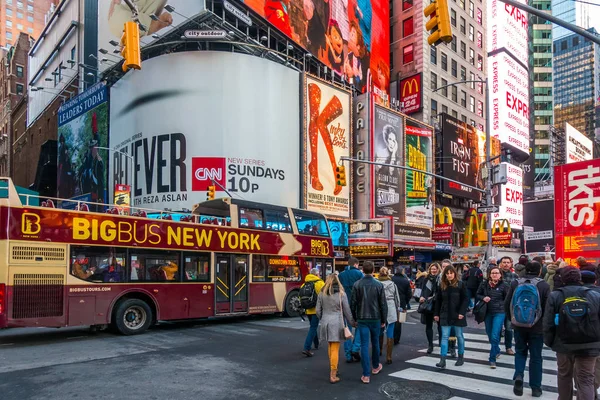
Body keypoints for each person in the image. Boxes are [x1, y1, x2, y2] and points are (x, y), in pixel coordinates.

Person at [544, 267, 600, 400]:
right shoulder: (595, 296)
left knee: (564, 375)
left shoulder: (556, 295)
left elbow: (548, 322)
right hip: (590, 344)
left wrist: (551, 342)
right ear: (579, 278)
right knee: (586, 379)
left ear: (562, 279)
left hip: (563, 343)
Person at [505, 261, 550, 397]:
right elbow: (548, 308)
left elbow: (507, 303)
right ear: (540, 271)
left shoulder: (516, 283)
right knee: (536, 357)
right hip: (537, 327)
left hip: (518, 325)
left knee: (520, 352)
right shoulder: (543, 285)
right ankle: (536, 387)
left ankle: (519, 375)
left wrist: (513, 319)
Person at [350, 261, 387, 384]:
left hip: (362, 318)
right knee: (375, 342)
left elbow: (353, 303)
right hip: (376, 318)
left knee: (364, 345)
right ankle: (375, 366)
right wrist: (383, 319)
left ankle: (366, 374)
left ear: (362, 270)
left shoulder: (357, 285)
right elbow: (383, 304)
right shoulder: (379, 285)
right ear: (373, 271)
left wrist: (354, 318)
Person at [316, 273, 356, 383]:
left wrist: (323, 318)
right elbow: (347, 311)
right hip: (337, 323)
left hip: (325, 322)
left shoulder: (322, 293)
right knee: (335, 348)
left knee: (330, 346)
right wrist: (352, 322)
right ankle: (333, 374)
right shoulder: (341, 294)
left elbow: (317, 311)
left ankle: (334, 368)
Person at [434, 265, 468, 369]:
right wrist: (436, 314)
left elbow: (465, 299)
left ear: (454, 274)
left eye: (451, 273)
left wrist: (462, 312)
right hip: (445, 314)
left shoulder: (460, 285)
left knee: (459, 336)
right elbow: (438, 300)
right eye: (447, 273)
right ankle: (442, 359)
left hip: (458, 314)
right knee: (444, 336)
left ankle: (461, 357)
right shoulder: (442, 285)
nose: (449, 275)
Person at [476, 266, 509, 368]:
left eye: (497, 273)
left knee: (495, 335)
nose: (495, 274)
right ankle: (497, 349)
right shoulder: (484, 284)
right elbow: (477, 294)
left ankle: (492, 358)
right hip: (487, 312)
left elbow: (507, 299)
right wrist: (483, 297)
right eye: (493, 273)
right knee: (489, 333)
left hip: (499, 312)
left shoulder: (504, 285)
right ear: (489, 274)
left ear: (500, 275)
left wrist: (501, 305)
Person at [338, 257, 363, 362]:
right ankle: (355, 348)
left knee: (347, 329)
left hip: (344, 304)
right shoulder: (359, 274)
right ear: (356, 264)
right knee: (359, 326)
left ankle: (348, 354)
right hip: (357, 305)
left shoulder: (341, 275)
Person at [377, 267, 401, 364]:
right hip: (391, 306)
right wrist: (398, 309)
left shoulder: (377, 284)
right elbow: (397, 298)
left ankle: (379, 350)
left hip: (380, 307)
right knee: (390, 331)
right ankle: (389, 356)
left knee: (380, 330)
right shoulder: (393, 284)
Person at [302, 268, 325, 357]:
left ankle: (316, 343)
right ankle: (306, 348)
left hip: (308, 309)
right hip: (316, 309)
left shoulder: (304, 284)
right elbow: (324, 295)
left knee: (312, 326)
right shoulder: (319, 283)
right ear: (316, 275)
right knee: (313, 327)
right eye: (319, 274)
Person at [420, 263, 442, 354]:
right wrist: (421, 297)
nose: (433, 270)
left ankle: (442, 343)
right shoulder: (426, 279)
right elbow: (422, 290)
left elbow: (441, 292)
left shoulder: (440, 279)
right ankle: (430, 345)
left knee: (440, 325)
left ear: (438, 270)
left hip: (437, 304)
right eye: (432, 269)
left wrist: (433, 298)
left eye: (435, 269)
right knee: (428, 325)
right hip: (428, 305)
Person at [499, 256, 517, 356]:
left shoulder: (515, 276)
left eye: (508, 262)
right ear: (500, 263)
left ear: (511, 264)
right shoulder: (496, 274)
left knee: (509, 328)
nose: (506, 264)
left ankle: (508, 347)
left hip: (510, 305)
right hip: (498, 305)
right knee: (497, 328)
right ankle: (495, 347)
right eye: (504, 262)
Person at [392, 266, 412, 345]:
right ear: (402, 271)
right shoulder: (405, 280)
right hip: (401, 302)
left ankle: (391, 337)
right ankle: (397, 339)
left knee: (391, 321)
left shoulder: (392, 279)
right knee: (399, 321)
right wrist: (406, 302)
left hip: (392, 301)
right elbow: (409, 293)